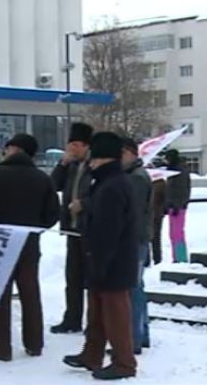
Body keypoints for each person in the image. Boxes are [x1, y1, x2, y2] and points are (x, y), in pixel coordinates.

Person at [0, 134, 60, 362]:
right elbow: (52, 214)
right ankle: (34, 343)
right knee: (30, 292)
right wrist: (34, 226)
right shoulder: (42, 179)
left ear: (14, 149)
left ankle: (0, 347)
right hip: (29, 243)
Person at [63, 132, 139, 380]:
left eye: (93, 157)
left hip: (112, 261)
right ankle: (92, 354)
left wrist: (99, 262)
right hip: (103, 258)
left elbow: (108, 230)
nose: (89, 162)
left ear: (100, 158)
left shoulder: (112, 185)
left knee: (115, 314)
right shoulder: (107, 182)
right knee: (96, 312)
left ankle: (124, 363)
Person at [50, 122, 93, 334]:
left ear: (86, 146)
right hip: (72, 228)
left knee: (92, 279)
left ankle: (93, 322)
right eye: (70, 145)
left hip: (89, 229)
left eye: (76, 145)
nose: (72, 149)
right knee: (72, 277)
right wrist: (62, 164)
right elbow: (53, 185)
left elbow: (99, 194)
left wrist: (83, 204)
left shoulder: (95, 165)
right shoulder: (72, 165)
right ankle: (72, 318)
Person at [121, 138, 152, 354]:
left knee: (132, 288)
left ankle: (134, 339)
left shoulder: (136, 178)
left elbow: (133, 212)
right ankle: (141, 334)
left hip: (134, 239)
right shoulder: (135, 175)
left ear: (130, 153)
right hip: (138, 238)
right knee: (137, 287)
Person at [163, 149, 192, 263]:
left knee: (177, 233)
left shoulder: (178, 171)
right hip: (174, 205)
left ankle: (180, 257)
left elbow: (181, 190)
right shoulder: (174, 170)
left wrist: (176, 205)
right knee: (174, 233)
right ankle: (177, 256)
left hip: (178, 207)